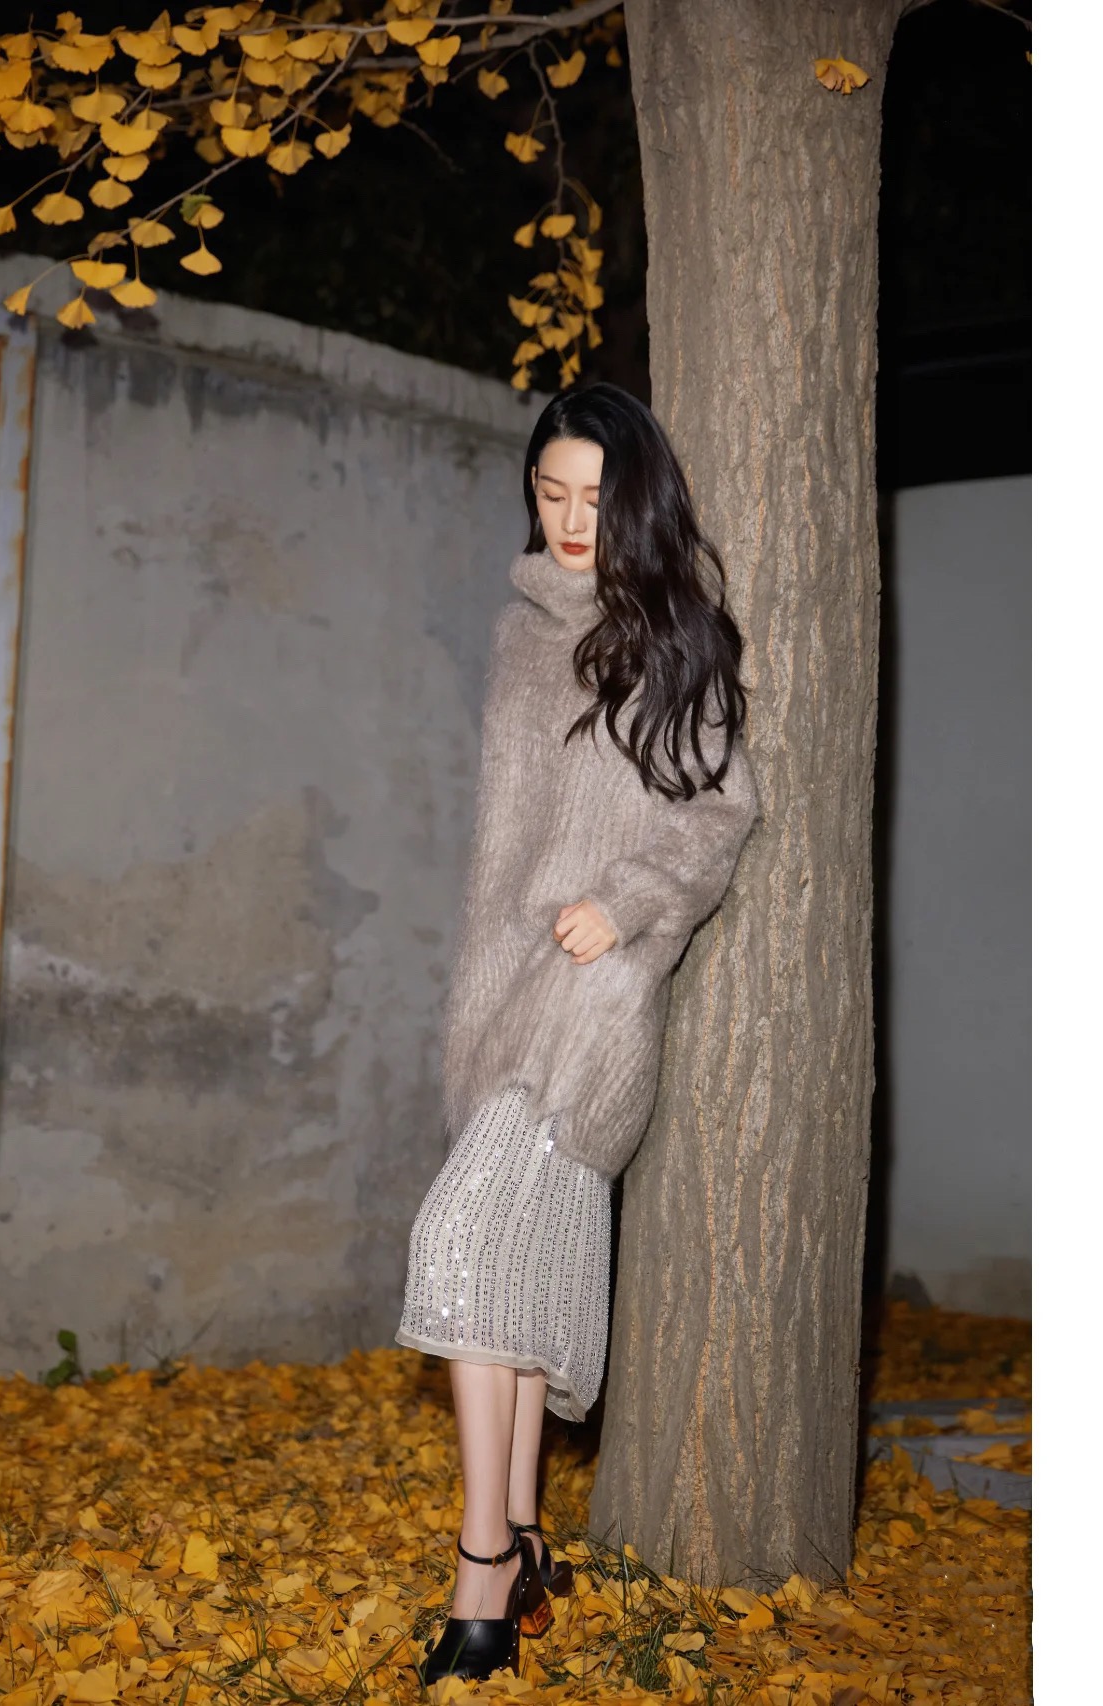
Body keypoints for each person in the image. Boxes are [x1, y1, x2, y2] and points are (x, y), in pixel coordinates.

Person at [394, 381, 761, 1684]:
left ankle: (481, 1563)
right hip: (499, 987)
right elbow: (499, 844)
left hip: (596, 998)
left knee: (458, 1249)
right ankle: (523, 1538)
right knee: (495, 1286)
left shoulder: (679, 636)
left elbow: (718, 815)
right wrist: (482, 978)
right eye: (549, 493)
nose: (567, 519)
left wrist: (629, 902)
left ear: (637, 503)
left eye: (593, 499)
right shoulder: (517, 634)